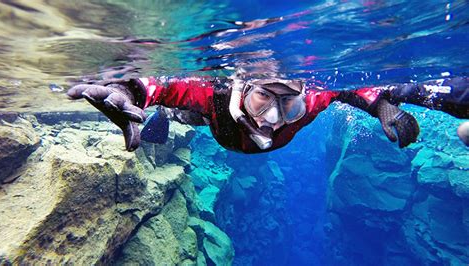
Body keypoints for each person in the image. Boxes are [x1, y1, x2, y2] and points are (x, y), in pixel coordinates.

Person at [67, 75, 468, 153]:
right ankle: (174, 122)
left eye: (287, 102)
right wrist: (128, 91)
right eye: (263, 97)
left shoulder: (310, 101)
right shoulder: (213, 92)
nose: (274, 116)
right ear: (242, 87)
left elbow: (350, 89)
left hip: (228, 130)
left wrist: (384, 108)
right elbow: (162, 86)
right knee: (189, 112)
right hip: (216, 121)